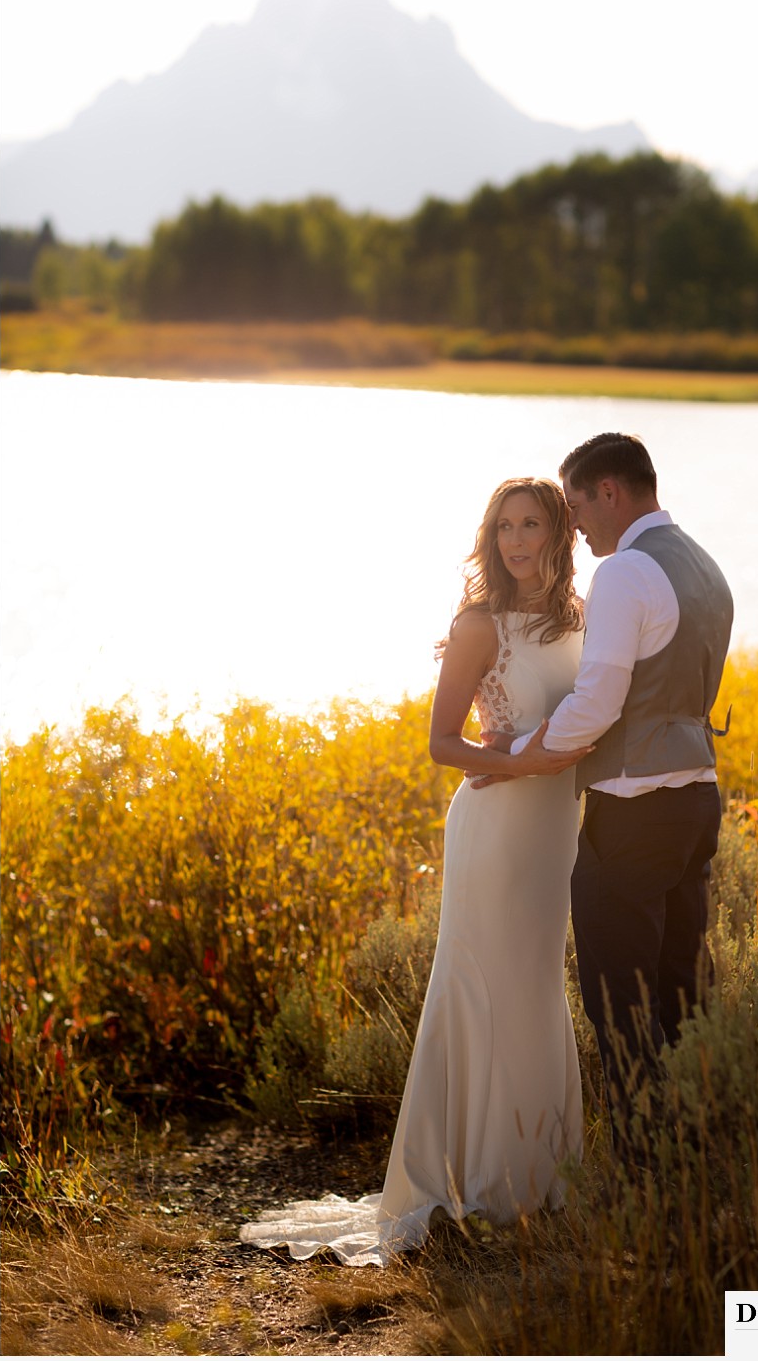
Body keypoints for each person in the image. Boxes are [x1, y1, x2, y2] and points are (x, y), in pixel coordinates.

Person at [239, 478, 592, 1265]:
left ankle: (537, 1176)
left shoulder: (582, 618)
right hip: (496, 827)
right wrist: (509, 757)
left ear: (560, 532)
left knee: (537, 986)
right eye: (504, 525)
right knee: (481, 986)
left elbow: (593, 715)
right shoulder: (478, 623)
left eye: (532, 523)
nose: (515, 539)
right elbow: (441, 742)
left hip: (554, 832)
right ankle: (468, 1178)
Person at [476, 433, 733, 1168]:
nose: (575, 524)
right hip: (696, 803)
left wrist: (518, 757)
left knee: (621, 1004)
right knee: (682, 994)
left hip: (634, 813)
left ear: (610, 492)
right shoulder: (703, 566)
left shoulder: (626, 571)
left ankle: (643, 1169)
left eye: (578, 504)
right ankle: (695, 1156)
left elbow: (596, 704)